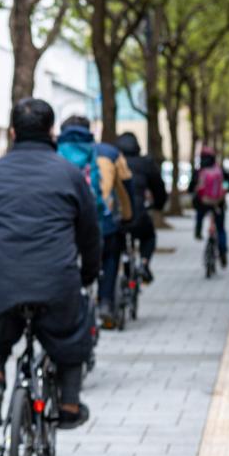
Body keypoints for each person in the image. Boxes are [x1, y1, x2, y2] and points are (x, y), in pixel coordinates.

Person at [0, 99, 102, 429]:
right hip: (55, 280)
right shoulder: (70, 174)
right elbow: (90, 234)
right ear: (51, 131)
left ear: (13, 132)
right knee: (73, 331)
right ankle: (70, 404)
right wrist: (87, 274)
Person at [56, 116, 134, 328]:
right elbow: (124, 191)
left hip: (61, 226)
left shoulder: (52, 153)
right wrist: (128, 217)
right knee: (110, 254)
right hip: (100, 222)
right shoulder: (108, 153)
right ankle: (106, 302)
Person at [115, 131, 167, 283]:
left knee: (116, 240)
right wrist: (158, 205)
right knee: (149, 236)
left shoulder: (113, 162)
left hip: (117, 215)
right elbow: (158, 188)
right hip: (139, 214)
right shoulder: (146, 163)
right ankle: (144, 263)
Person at [188, 146, 229, 267]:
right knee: (221, 229)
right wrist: (224, 190)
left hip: (203, 204)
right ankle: (223, 251)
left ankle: (198, 231)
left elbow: (191, 188)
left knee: (199, 213)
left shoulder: (199, 171)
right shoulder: (220, 170)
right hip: (218, 203)